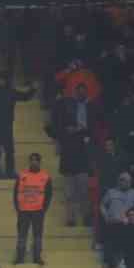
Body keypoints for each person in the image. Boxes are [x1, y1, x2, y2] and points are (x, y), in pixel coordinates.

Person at [52, 83, 94, 228]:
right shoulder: (66, 132)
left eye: (83, 92)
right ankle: (71, 218)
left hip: (82, 163)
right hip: (69, 163)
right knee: (69, 194)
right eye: (78, 92)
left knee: (84, 192)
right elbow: (54, 124)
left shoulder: (86, 135)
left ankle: (86, 217)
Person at [0, 72, 35, 179]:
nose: (2, 81)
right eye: (0, 79)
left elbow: (25, 97)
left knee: (10, 150)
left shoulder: (10, 92)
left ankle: (10, 171)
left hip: (7, 126)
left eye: (4, 79)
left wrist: (33, 89)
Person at [14, 152, 52, 265]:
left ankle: (37, 257)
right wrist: (18, 207)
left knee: (37, 235)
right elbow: (15, 193)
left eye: (36, 160)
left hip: (38, 210)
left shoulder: (45, 177)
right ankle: (20, 257)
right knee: (22, 235)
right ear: (29, 162)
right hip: (23, 210)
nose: (34, 162)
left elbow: (49, 195)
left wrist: (43, 209)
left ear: (40, 162)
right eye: (32, 160)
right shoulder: (21, 175)